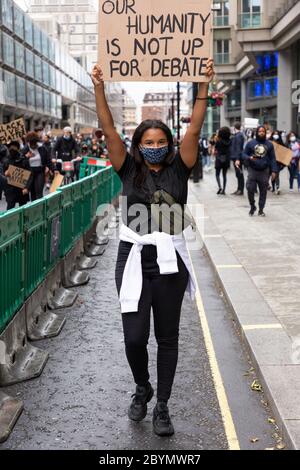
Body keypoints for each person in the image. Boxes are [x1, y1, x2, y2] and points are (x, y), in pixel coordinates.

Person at [92, 59, 214, 437]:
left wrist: (203, 85)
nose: (156, 147)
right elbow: (108, 128)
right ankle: (142, 385)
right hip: (132, 257)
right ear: (139, 145)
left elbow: (194, 127)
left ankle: (161, 404)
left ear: (170, 145)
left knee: (167, 336)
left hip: (170, 260)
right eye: (149, 143)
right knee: (133, 337)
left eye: (162, 142)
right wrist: (98, 86)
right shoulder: (127, 168)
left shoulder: (182, 167)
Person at [236, 126, 277, 216]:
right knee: (250, 188)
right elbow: (243, 154)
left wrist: (274, 170)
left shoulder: (269, 144)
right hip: (253, 170)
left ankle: (261, 210)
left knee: (263, 191)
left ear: (265, 133)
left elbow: (273, 158)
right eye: (260, 131)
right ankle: (252, 206)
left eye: (263, 131)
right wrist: (249, 157)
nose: (261, 133)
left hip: (264, 171)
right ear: (257, 132)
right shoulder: (251, 143)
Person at [23, 131, 52, 201]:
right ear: (28, 142)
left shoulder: (42, 148)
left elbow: (48, 160)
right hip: (29, 173)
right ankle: (34, 209)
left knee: (39, 192)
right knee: (32, 193)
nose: (33, 145)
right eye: (31, 143)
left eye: (34, 143)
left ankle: (40, 208)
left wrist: (54, 169)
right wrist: (26, 157)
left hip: (40, 171)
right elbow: (20, 162)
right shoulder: (25, 149)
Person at [3, 140, 31, 210]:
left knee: (23, 208)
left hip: (21, 189)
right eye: (11, 147)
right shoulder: (6, 160)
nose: (12, 148)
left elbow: (30, 174)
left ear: (18, 148)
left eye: (14, 147)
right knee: (10, 208)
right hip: (10, 188)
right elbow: (2, 173)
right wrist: (5, 173)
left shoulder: (23, 159)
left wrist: (26, 187)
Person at [214, 127, 231, 195]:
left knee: (217, 174)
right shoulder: (230, 141)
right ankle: (224, 189)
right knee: (224, 175)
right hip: (226, 159)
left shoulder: (218, 141)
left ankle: (219, 187)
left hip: (219, 159)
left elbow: (216, 149)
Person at [230, 123, 245, 195]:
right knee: (238, 174)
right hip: (236, 157)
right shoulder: (237, 135)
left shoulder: (238, 136)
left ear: (234, 128)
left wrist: (237, 159)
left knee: (239, 174)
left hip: (237, 158)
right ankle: (239, 189)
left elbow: (239, 148)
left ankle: (240, 189)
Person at [269, 130, 285, 195]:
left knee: (277, 174)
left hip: (278, 162)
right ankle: (273, 187)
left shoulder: (281, 143)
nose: (276, 135)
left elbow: (284, 152)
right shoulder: (269, 142)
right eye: (274, 134)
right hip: (270, 161)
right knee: (272, 174)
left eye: (277, 134)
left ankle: (278, 187)